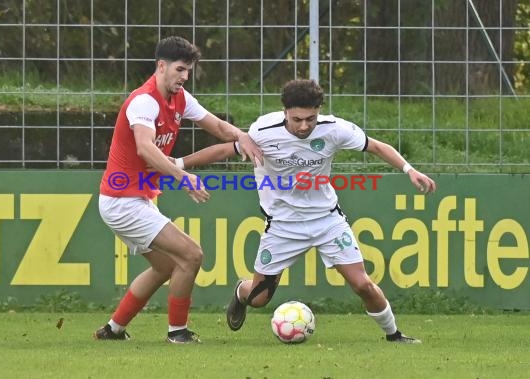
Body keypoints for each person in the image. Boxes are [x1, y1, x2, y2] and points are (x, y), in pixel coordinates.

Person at [177, 79, 436, 343]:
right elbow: (224, 150)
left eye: (310, 119)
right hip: (282, 225)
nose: (304, 126)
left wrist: (409, 170)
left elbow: (377, 146)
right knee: (259, 298)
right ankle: (241, 294)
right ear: (285, 111)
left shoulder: (334, 129)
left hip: (327, 221)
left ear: (319, 110)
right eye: (297, 119)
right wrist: (176, 164)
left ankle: (394, 335)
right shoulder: (263, 130)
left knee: (362, 284)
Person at [94, 36, 262, 343]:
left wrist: (244, 137)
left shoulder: (181, 98)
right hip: (122, 200)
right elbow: (145, 147)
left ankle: (113, 330)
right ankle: (178, 332)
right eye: (180, 69)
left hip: (138, 198)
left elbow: (218, 127)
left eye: (188, 71)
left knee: (166, 267)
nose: (185, 77)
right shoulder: (143, 101)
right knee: (191, 254)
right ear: (161, 66)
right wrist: (182, 177)